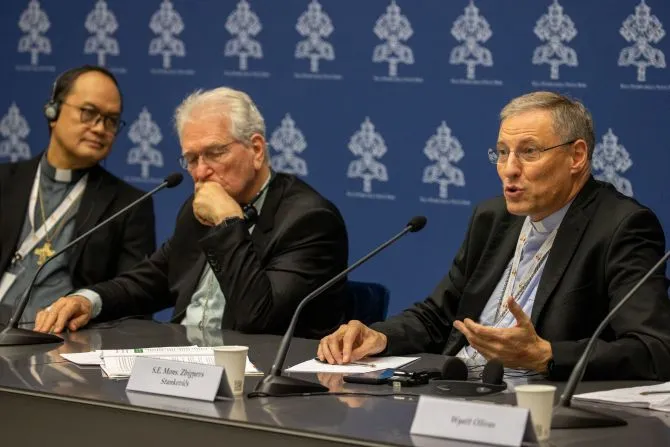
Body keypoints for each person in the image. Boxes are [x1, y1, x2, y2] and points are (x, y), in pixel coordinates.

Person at [317, 91, 670, 381]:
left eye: (529, 152)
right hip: (455, 392)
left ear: (576, 156)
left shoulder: (621, 226)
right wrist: (380, 336)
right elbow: (439, 316)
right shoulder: (493, 217)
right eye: (502, 153)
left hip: (541, 407)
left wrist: (547, 356)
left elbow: (654, 348)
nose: (510, 169)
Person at [35, 86, 349, 339]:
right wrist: (87, 300)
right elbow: (153, 279)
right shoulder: (198, 208)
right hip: (183, 367)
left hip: (259, 381)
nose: (200, 172)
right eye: (191, 158)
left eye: (214, 153)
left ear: (256, 149)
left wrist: (228, 223)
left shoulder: (310, 221)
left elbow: (258, 319)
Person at [0, 65, 156, 323]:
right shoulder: (5, 181)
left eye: (111, 120)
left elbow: (135, 300)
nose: (99, 128)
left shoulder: (129, 205)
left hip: (59, 341)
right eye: (89, 113)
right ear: (53, 111)